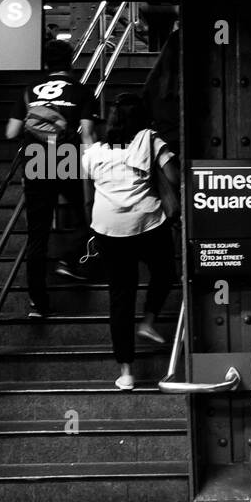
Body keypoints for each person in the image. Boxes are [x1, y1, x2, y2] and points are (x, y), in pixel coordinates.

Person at [81, 94, 179, 391]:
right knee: (164, 272)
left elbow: (86, 191)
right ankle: (148, 321)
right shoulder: (150, 139)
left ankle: (126, 372)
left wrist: (92, 222)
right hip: (146, 223)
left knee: (120, 299)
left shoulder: (94, 151)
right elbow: (173, 177)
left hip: (107, 227)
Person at [5, 39, 97, 317]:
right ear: (71, 63)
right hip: (66, 156)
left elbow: (11, 132)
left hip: (35, 158)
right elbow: (89, 137)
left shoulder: (30, 90)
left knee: (37, 235)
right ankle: (68, 259)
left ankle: (38, 304)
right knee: (87, 217)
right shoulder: (81, 91)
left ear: (46, 64)